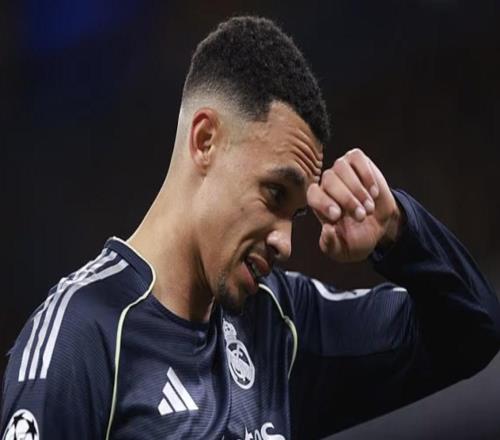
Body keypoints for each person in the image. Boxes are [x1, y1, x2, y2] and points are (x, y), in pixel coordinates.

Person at [2, 16, 500, 440]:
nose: (285, 242)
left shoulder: (280, 326)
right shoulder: (81, 336)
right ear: (205, 140)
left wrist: (399, 230)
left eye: (296, 214)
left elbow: (473, 331)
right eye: (274, 195)